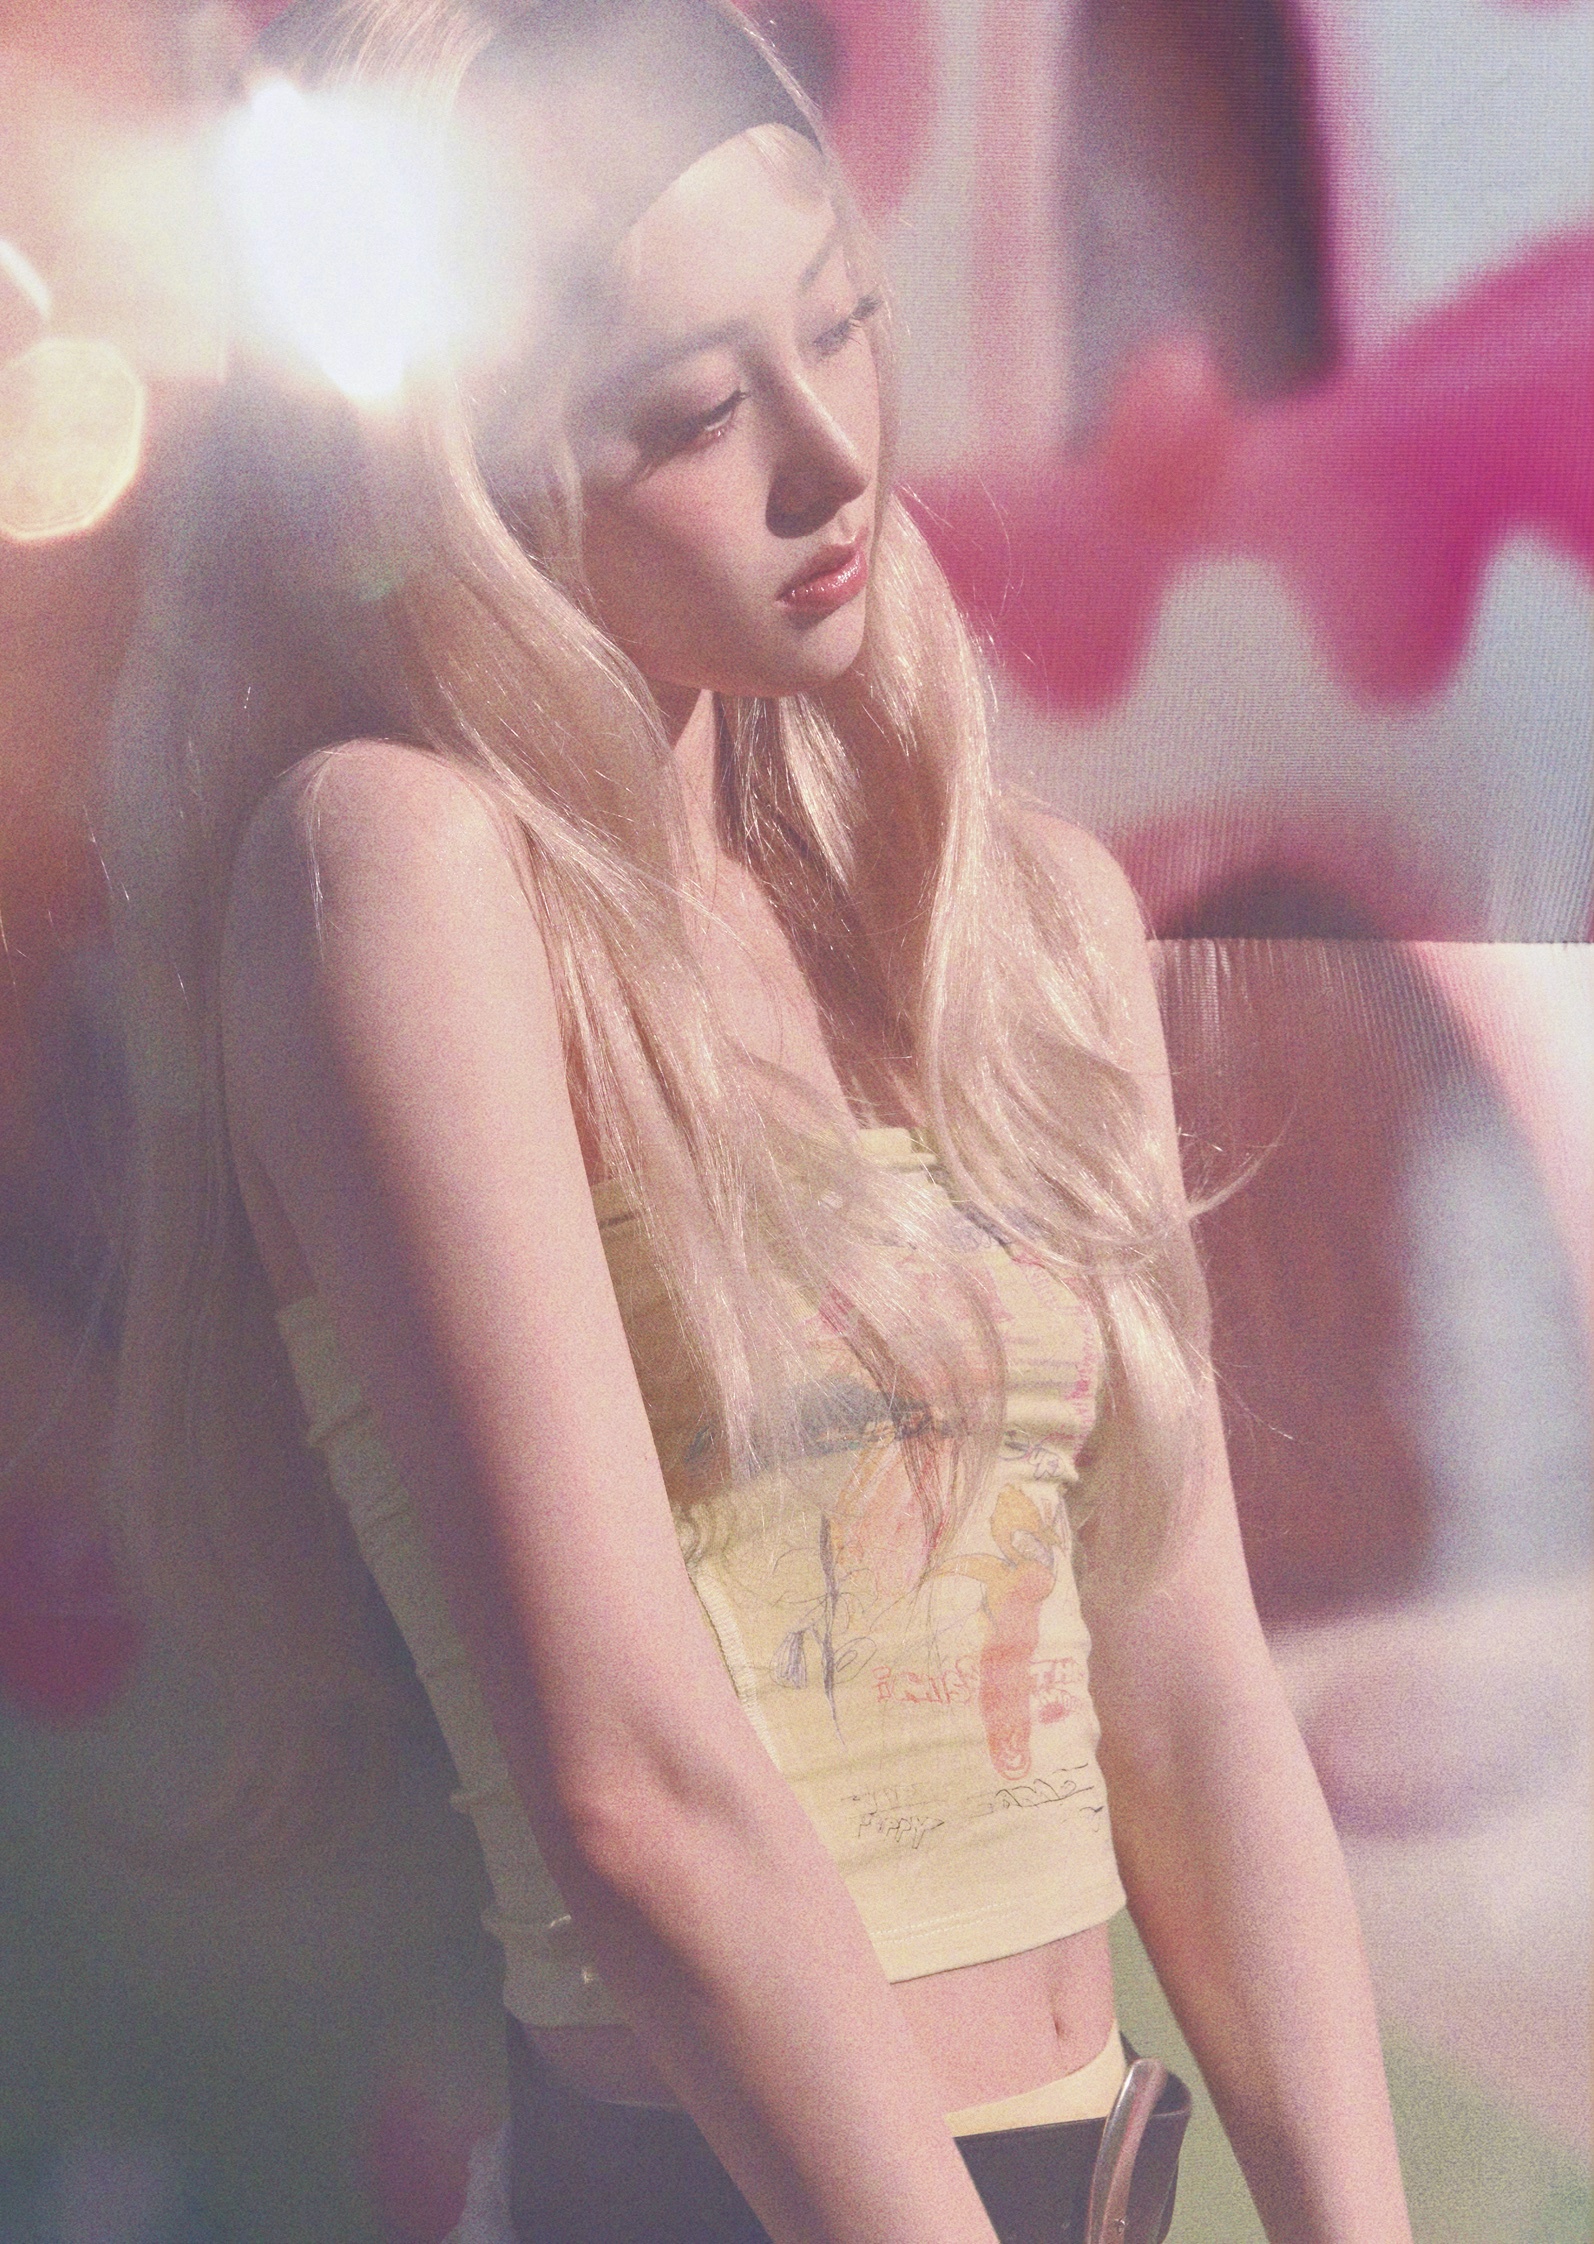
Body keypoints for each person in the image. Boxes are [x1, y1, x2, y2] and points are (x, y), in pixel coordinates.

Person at [100, 2, 1414, 2239]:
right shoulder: (402, 875)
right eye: (696, 411)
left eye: (840, 328)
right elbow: (633, 1787)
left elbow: (1193, 1708)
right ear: (476, 468)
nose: (829, 458)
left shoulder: (1009, 925)